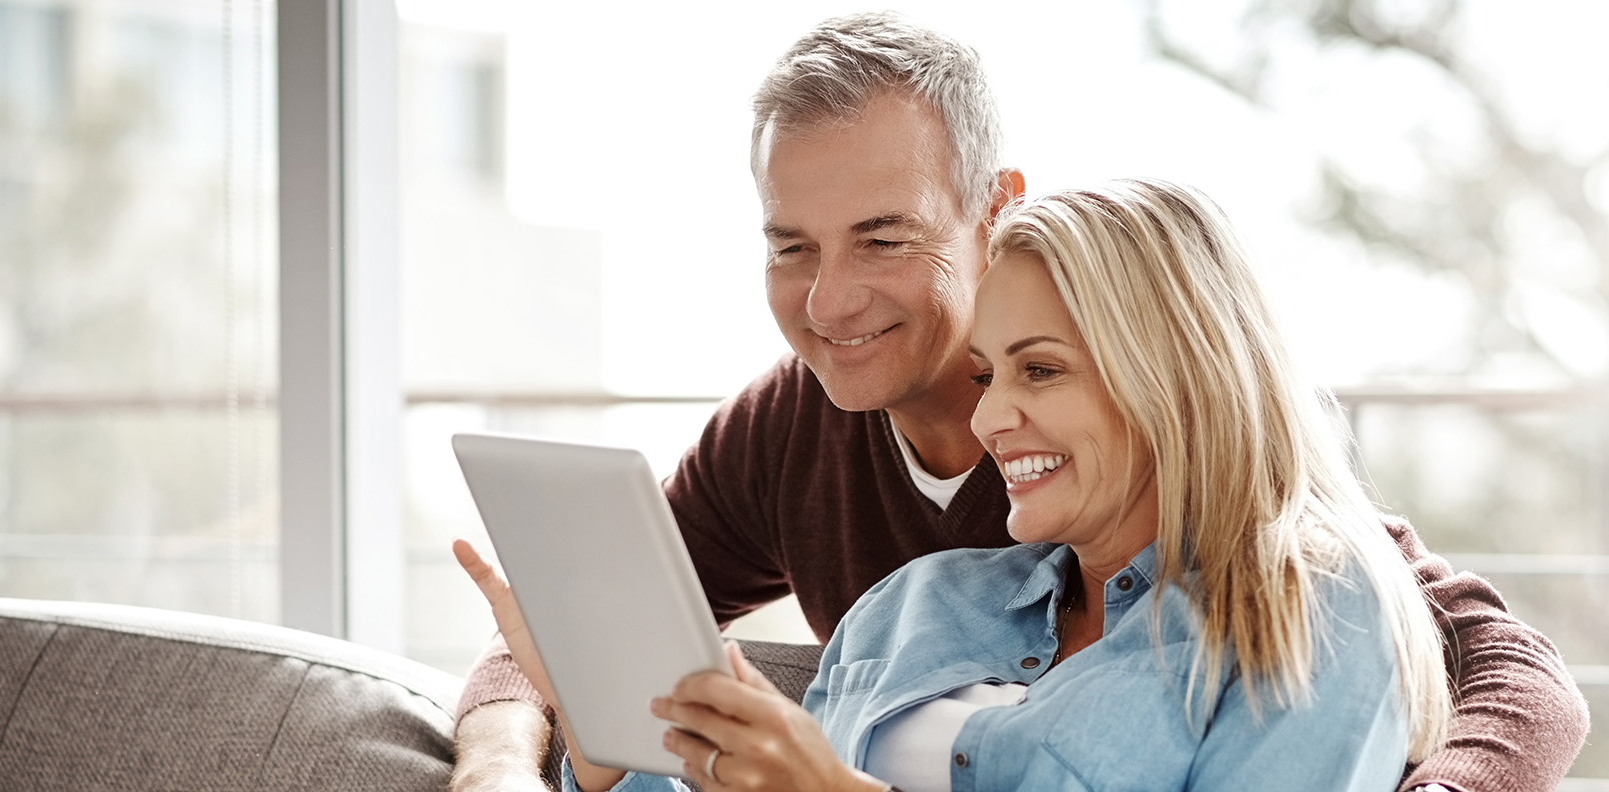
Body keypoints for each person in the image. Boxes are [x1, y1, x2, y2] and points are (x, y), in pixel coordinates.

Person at [449, 13, 1587, 792]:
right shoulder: (878, 561)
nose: (829, 299)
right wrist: (551, 750)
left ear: (989, 212)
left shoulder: (1293, 588)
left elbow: (1505, 669)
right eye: (793, 246)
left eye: (883, 238)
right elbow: (601, 621)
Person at [459, 178, 1460, 791]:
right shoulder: (914, 608)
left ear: (1180, 379)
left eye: (1041, 370)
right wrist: (603, 748)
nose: (987, 419)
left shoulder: (1305, 611)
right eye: (986, 375)